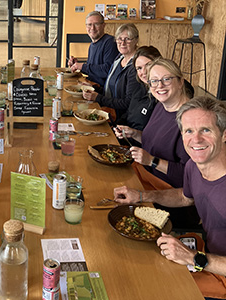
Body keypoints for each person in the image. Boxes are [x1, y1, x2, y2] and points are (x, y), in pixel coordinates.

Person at [113, 96, 226, 299]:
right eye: (189, 131)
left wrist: (194, 258)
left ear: (224, 134)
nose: (196, 139)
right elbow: (185, 197)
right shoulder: (194, 165)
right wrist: (141, 195)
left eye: (206, 130)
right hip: (207, 257)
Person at [115, 57, 199, 228]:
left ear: (181, 81)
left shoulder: (191, 121)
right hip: (145, 181)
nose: (159, 86)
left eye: (166, 79)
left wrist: (152, 161)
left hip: (168, 201)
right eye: (154, 81)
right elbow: (154, 142)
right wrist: (135, 134)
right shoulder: (162, 106)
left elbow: (190, 179)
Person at [83, 23, 142, 121]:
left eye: (127, 39)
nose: (122, 43)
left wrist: (98, 98)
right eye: (119, 39)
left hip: (121, 119)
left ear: (136, 40)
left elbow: (127, 103)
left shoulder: (136, 66)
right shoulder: (119, 58)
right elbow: (111, 89)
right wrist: (93, 89)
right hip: (109, 111)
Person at [68, 11, 118, 87]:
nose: (92, 28)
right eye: (89, 25)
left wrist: (83, 66)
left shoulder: (110, 42)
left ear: (103, 25)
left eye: (96, 24)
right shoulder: (92, 45)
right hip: (90, 85)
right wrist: (76, 65)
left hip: (102, 92)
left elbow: (108, 70)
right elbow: (92, 70)